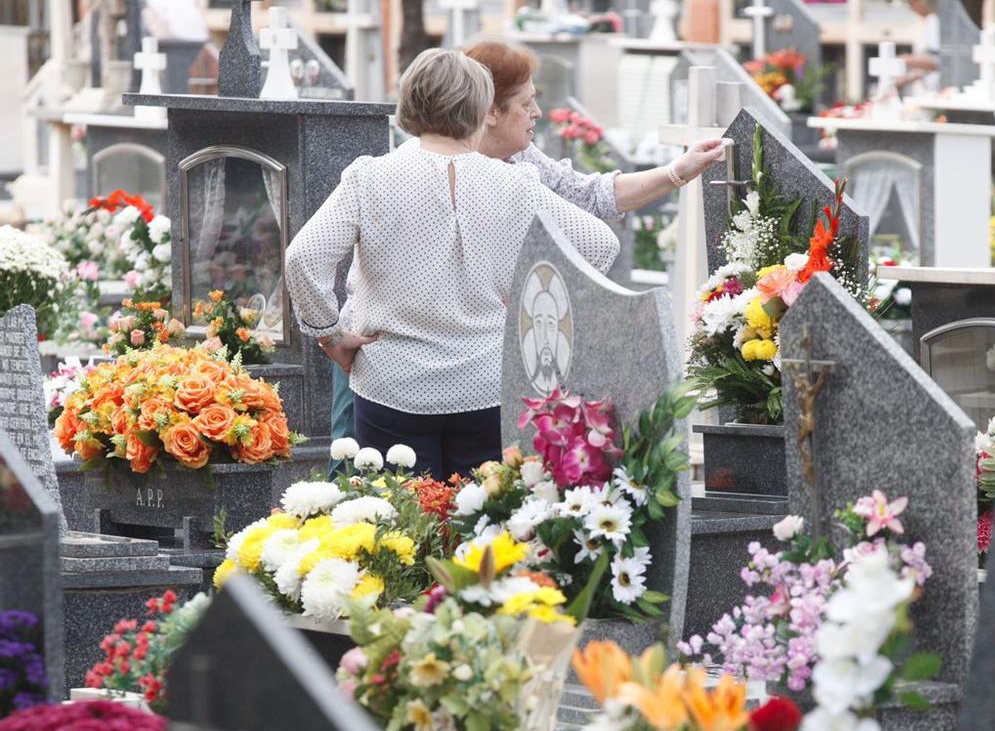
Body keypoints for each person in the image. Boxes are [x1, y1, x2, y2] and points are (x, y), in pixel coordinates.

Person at [287, 48, 619, 477]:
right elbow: (598, 244)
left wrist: (330, 337)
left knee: (398, 528)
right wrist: (530, 317)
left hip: (392, 378)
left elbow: (302, 257)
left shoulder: (369, 177)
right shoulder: (514, 184)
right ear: (482, 107)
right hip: (486, 382)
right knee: (478, 527)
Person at [468, 39, 726, 218]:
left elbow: (588, 195)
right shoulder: (449, 169)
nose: (537, 112)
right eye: (525, 104)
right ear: (491, 112)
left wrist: (678, 170)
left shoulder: (519, 156)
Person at [897, 0, 944, 95]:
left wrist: (904, 59)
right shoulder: (934, 20)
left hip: (940, 92)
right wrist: (909, 78)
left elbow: (938, 60)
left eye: (910, 2)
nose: (910, 8)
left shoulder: (934, 20)